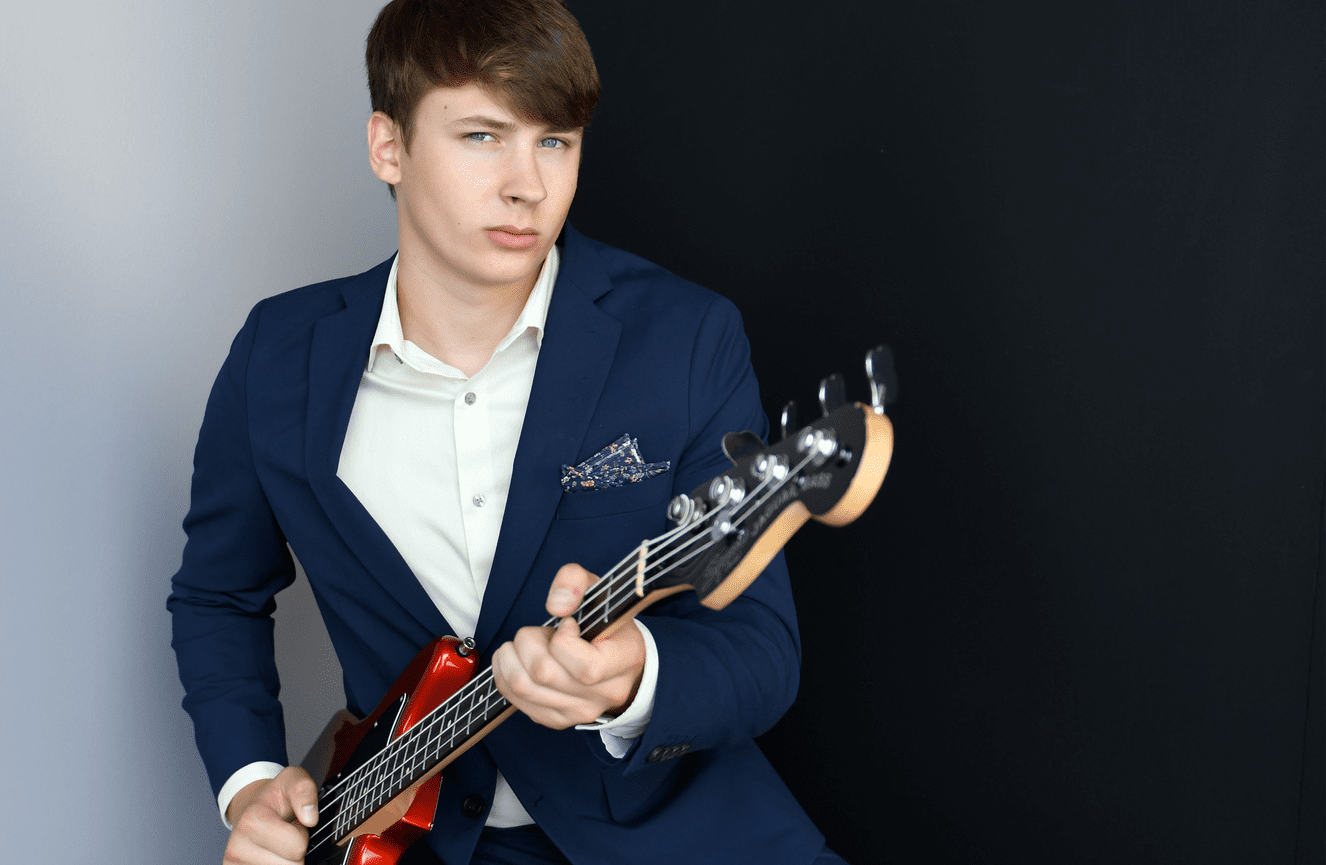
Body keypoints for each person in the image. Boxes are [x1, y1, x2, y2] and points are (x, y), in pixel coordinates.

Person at [168, 1, 846, 863]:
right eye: (483, 136)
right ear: (388, 146)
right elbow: (217, 595)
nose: (528, 184)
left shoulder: (685, 338)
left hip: (680, 840)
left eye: (554, 141)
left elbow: (762, 650)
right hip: (407, 843)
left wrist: (635, 677)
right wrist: (252, 783)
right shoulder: (277, 355)